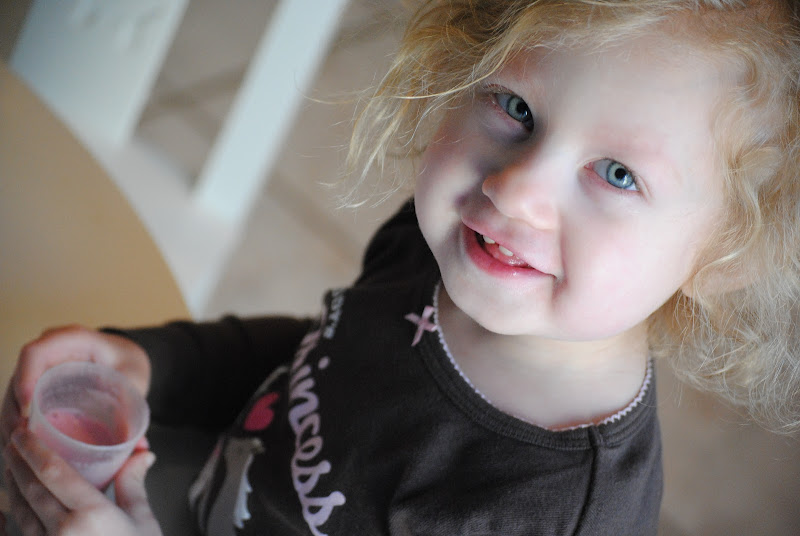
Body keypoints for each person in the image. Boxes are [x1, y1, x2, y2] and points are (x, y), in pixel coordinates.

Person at [3, 0, 800, 534]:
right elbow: (321, 358)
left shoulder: (550, 513)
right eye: (516, 107)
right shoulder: (455, 251)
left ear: (730, 253)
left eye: (617, 174)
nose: (514, 191)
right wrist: (155, 362)